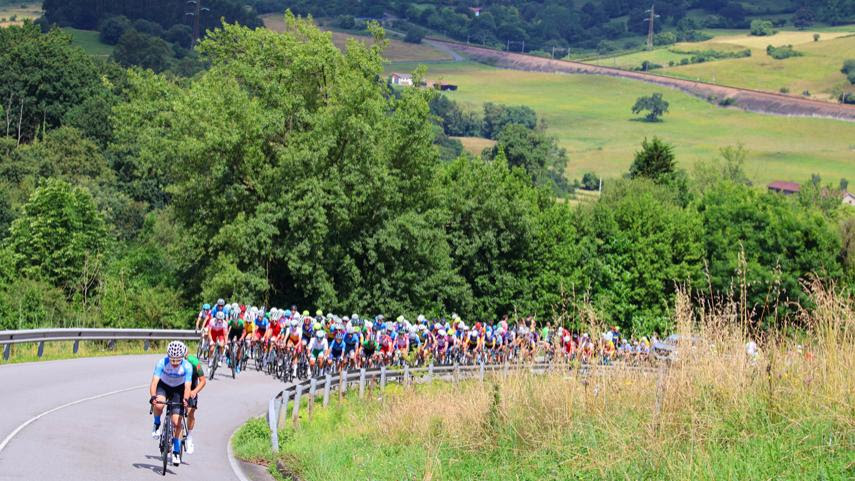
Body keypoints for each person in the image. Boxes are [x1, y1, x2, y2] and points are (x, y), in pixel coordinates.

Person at [150, 341, 192, 466]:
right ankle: (157, 423)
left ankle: (176, 451)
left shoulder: (187, 366)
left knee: (176, 422)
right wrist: (153, 396)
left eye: (177, 360)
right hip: (164, 386)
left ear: (182, 357)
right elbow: (154, 382)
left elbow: (187, 387)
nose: (174, 363)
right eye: (172, 360)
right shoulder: (161, 363)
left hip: (178, 389)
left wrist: (185, 399)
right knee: (159, 404)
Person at [184, 351, 207, 455]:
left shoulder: (194, 362)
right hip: (179, 385)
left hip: (192, 385)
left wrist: (194, 391)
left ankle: (189, 436)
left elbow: (203, 381)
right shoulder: (173, 362)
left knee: (190, 411)